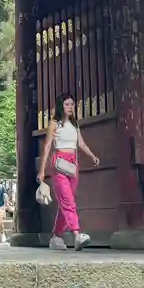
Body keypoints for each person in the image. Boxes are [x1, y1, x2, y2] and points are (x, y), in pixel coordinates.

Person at [38, 93, 100, 250]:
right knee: (68, 202)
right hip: (59, 164)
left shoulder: (74, 124)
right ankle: (77, 234)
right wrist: (42, 170)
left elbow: (81, 143)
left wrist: (92, 156)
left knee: (67, 202)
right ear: (61, 106)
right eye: (67, 104)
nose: (70, 107)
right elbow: (47, 146)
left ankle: (56, 236)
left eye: (72, 104)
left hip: (73, 166)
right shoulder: (54, 124)